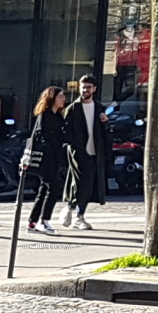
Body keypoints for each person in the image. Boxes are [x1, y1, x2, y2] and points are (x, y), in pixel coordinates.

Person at [59, 75, 108, 230]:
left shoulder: (99, 107)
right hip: (78, 151)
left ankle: (72, 209)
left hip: (96, 151)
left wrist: (105, 123)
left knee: (87, 182)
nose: (85, 90)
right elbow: (66, 131)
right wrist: (73, 145)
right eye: (83, 87)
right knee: (83, 181)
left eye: (88, 87)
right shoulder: (72, 109)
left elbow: (104, 131)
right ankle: (77, 215)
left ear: (94, 89)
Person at [21, 85, 71, 234]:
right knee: (53, 188)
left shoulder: (58, 116)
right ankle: (44, 220)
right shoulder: (45, 116)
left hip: (54, 158)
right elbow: (46, 136)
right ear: (52, 98)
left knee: (44, 189)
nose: (64, 99)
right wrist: (61, 138)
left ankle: (33, 222)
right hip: (46, 158)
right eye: (60, 96)